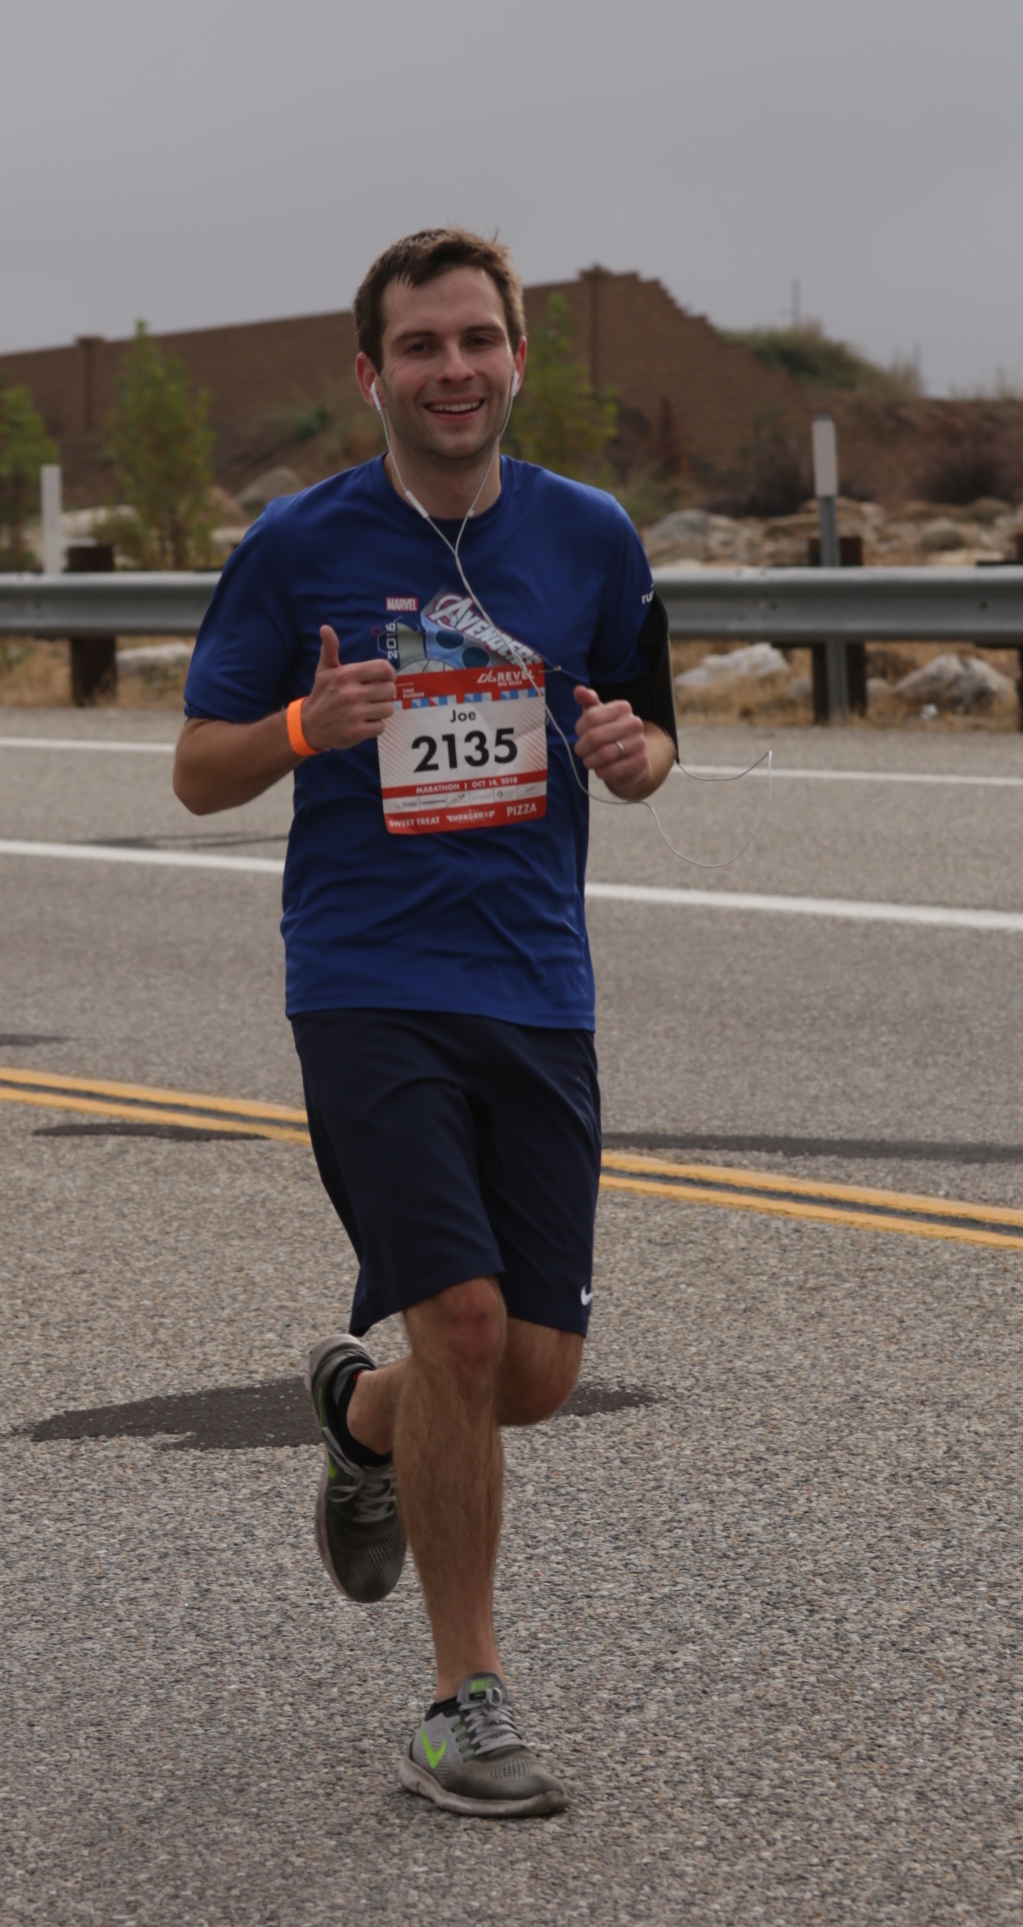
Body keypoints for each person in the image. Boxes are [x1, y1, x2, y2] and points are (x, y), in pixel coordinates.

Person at [173, 227, 676, 1816]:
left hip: (537, 986)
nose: (452, 370)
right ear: (370, 372)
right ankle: (467, 1700)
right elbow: (197, 768)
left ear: (518, 356)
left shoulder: (591, 537)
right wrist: (305, 724)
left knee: (528, 1371)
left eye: (477, 340)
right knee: (460, 1324)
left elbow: (654, 726)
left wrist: (637, 756)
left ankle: (361, 1415)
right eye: (420, 346)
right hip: (367, 984)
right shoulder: (298, 546)